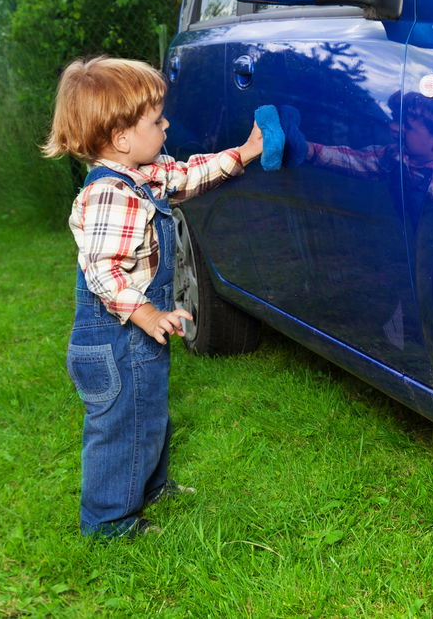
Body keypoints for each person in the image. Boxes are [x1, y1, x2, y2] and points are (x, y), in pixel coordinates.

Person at [42, 57, 263, 538]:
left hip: (138, 336)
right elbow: (101, 270)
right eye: (157, 122)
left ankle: (150, 486)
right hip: (114, 340)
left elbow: (185, 177)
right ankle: (108, 523)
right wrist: (143, 311)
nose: (166, 127)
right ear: (122, 138)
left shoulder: (144, 175)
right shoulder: (110, 195)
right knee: (119, 428)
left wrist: (242, 154)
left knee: (148, 410)